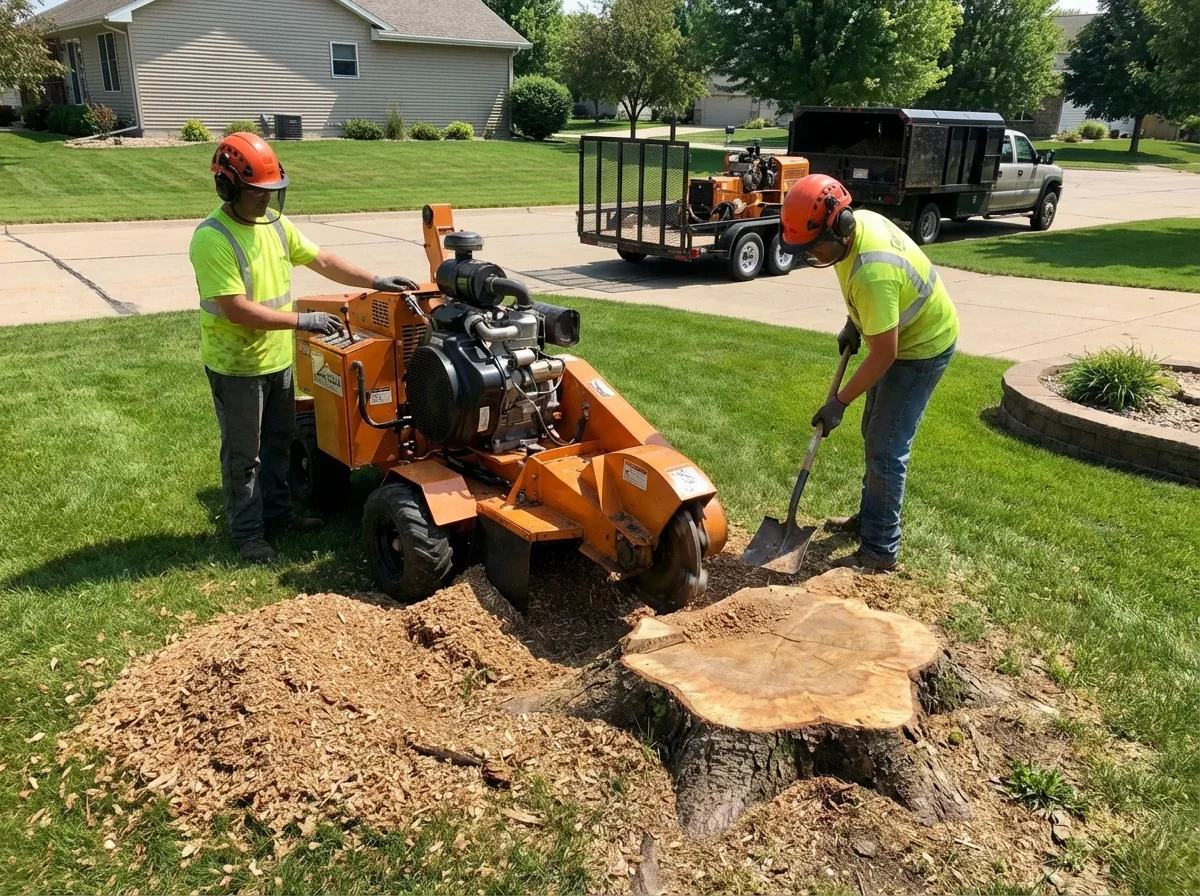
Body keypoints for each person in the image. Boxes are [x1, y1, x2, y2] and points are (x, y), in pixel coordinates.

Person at [189, 132, 419, 563]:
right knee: (245, 455)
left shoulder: (275, 227)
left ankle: (278, 516)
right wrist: (303, 321)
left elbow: (323, 260)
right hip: (236, 365)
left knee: (278, 441)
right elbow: (237, 309)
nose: (266, 202)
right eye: (258, 193)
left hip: (276, 360)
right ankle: (248, 533)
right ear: (228, 187)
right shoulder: (212, 239)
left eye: (272, 192)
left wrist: (375, 281)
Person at [780, 174, 959, 571]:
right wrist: (853, 322)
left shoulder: (872, 271)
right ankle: (872, 517)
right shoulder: (850, 236)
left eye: (813, 249)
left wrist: (839, 402)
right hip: (896, 335)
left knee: (887, 444)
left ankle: (880, 550)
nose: (810, 257)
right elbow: (865, 296)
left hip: (922, 348)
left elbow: (884, 355)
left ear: (840, 228)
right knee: (873, 433)